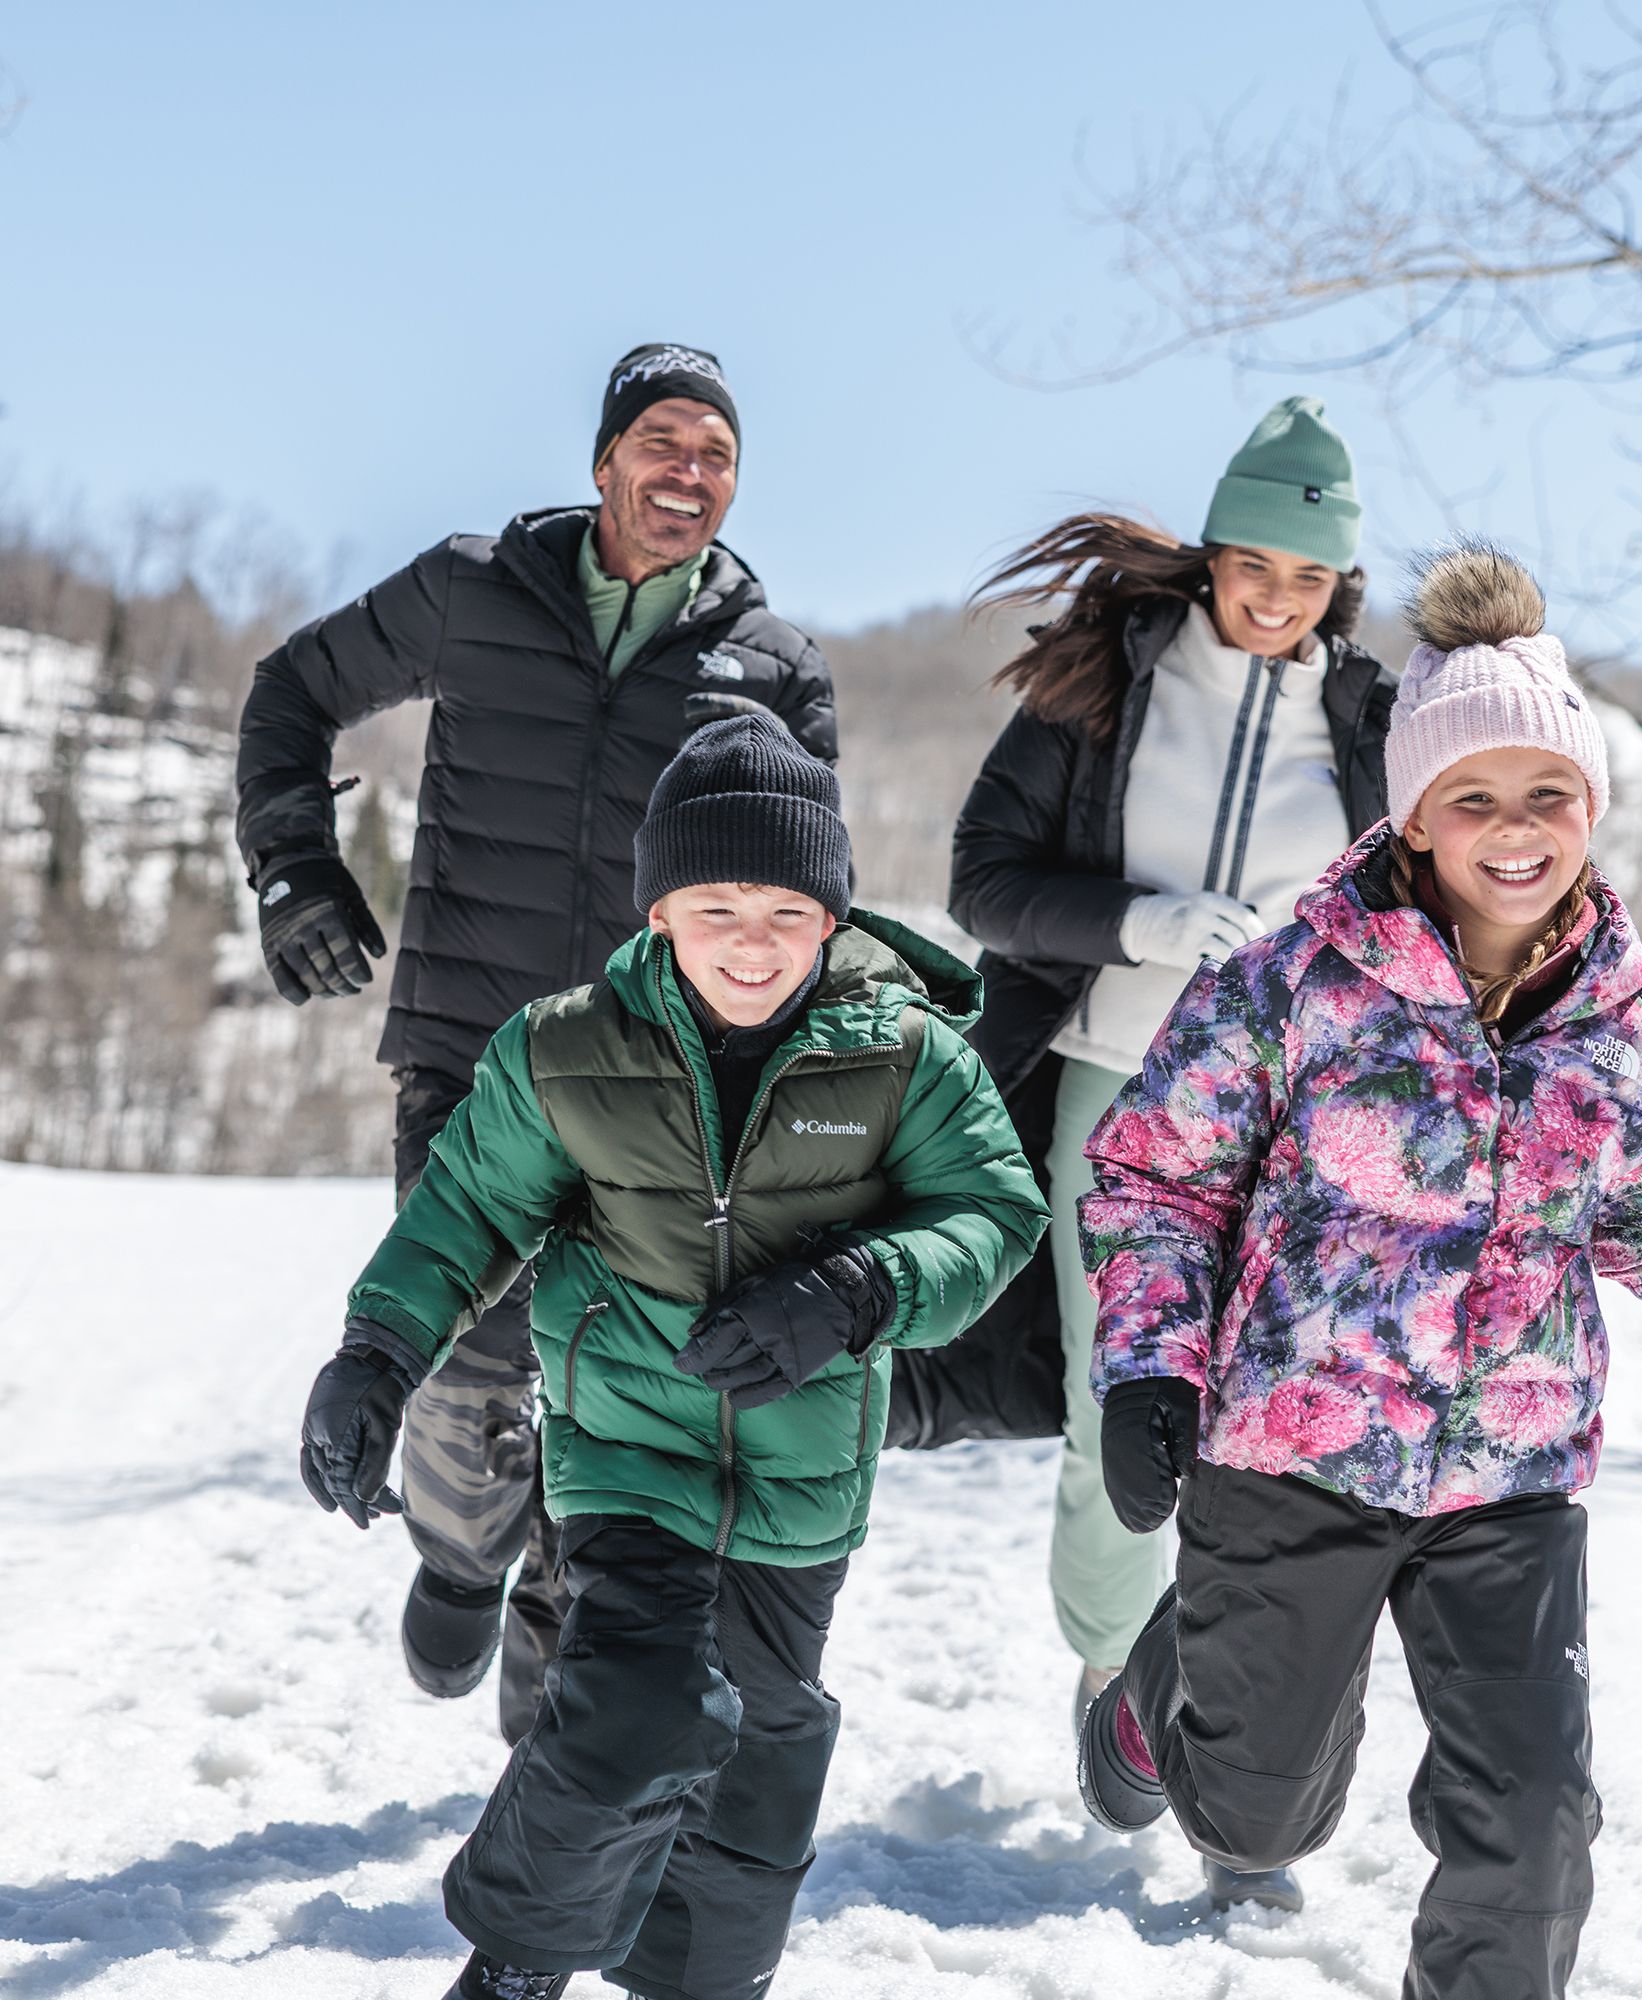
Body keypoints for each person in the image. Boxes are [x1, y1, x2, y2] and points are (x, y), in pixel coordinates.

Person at [1072, 542, 1642, 1997]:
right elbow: (1159, 1178)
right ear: (1415, 815)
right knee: (1258, 1810)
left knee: (1531, 1830)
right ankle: (1161, 1691)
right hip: (1291, 1458)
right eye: (1474, 798)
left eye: (1548, 797)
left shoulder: (1637, 1037)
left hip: (1510, 1480)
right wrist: (1151, 1364)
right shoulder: (1293, 983)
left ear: (1589, 808)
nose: (1514, 831)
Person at [296, 713, 1047, 2000]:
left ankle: (697, 1975)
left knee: (758, 1733)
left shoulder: (901, 1048)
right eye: (713, 904)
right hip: (627, 1439)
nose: (749, 940)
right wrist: (376, 1351)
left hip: (803, 1464)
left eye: (784, 907)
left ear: (830, 913)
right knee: (638, 1701)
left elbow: (994, 1214)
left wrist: (863, 1287)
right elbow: (466, 1210)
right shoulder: (566, 1047)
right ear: (657, 911)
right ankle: (519, 1962)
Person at [236, 344, 837, 1739]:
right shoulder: (474, 590)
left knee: (617, 1406)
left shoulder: (774, 667)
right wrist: (294, 866)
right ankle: (458, 1548)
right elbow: (290, 689)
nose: (689, 474)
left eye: (717, 455)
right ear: (605, 461)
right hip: (469, 1056)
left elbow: (810, 892)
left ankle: (551, 1720)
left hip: (661, 1089)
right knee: (473, 1372)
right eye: (664, 443)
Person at [891, 396, 1393, 1912]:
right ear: (1218, 550)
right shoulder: (1104, 690)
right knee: (1119, 1400)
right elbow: (985, 880)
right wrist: (1145, 925)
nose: (1279, 598)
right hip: (1112, 1090)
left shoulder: (1370, 720)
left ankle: (1244, 1758)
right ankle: (1122, 1676)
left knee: (1278, 1433)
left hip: (1296, 1123)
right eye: (1259, 564)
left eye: (1310, 580)